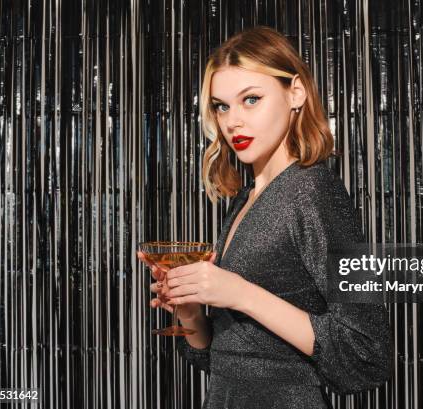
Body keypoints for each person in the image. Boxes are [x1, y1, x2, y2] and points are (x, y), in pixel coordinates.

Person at [138, 25, 392, 409]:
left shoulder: (314, 191)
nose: (233, 121)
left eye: (251, 99)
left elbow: (366, 353)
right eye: (222, 106)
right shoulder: (248, 197)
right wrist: (189, 308)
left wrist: (238, 292)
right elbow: (225, 358)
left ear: (296, 93)